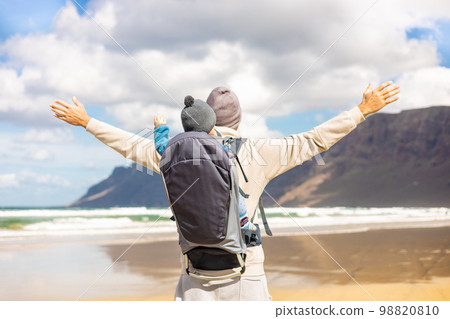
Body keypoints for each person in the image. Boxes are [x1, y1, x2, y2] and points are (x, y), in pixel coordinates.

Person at [50, 81, 400, 300]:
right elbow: (312, 140)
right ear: (238, 120)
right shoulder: (260, 152)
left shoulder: (170, 152)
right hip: (247, 273)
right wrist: (361, 110)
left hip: (194, 274)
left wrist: (87, 122)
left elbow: (129, 145)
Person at [153, 95, 257, 232]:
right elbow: (228, 155)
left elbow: (161, 145)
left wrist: (160, 127)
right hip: (214, 202)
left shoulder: (175, 147)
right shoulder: (215, 148)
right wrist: (217, 135)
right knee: (234, 189)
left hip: (191, 202)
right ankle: (243, 220)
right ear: (210, 125)